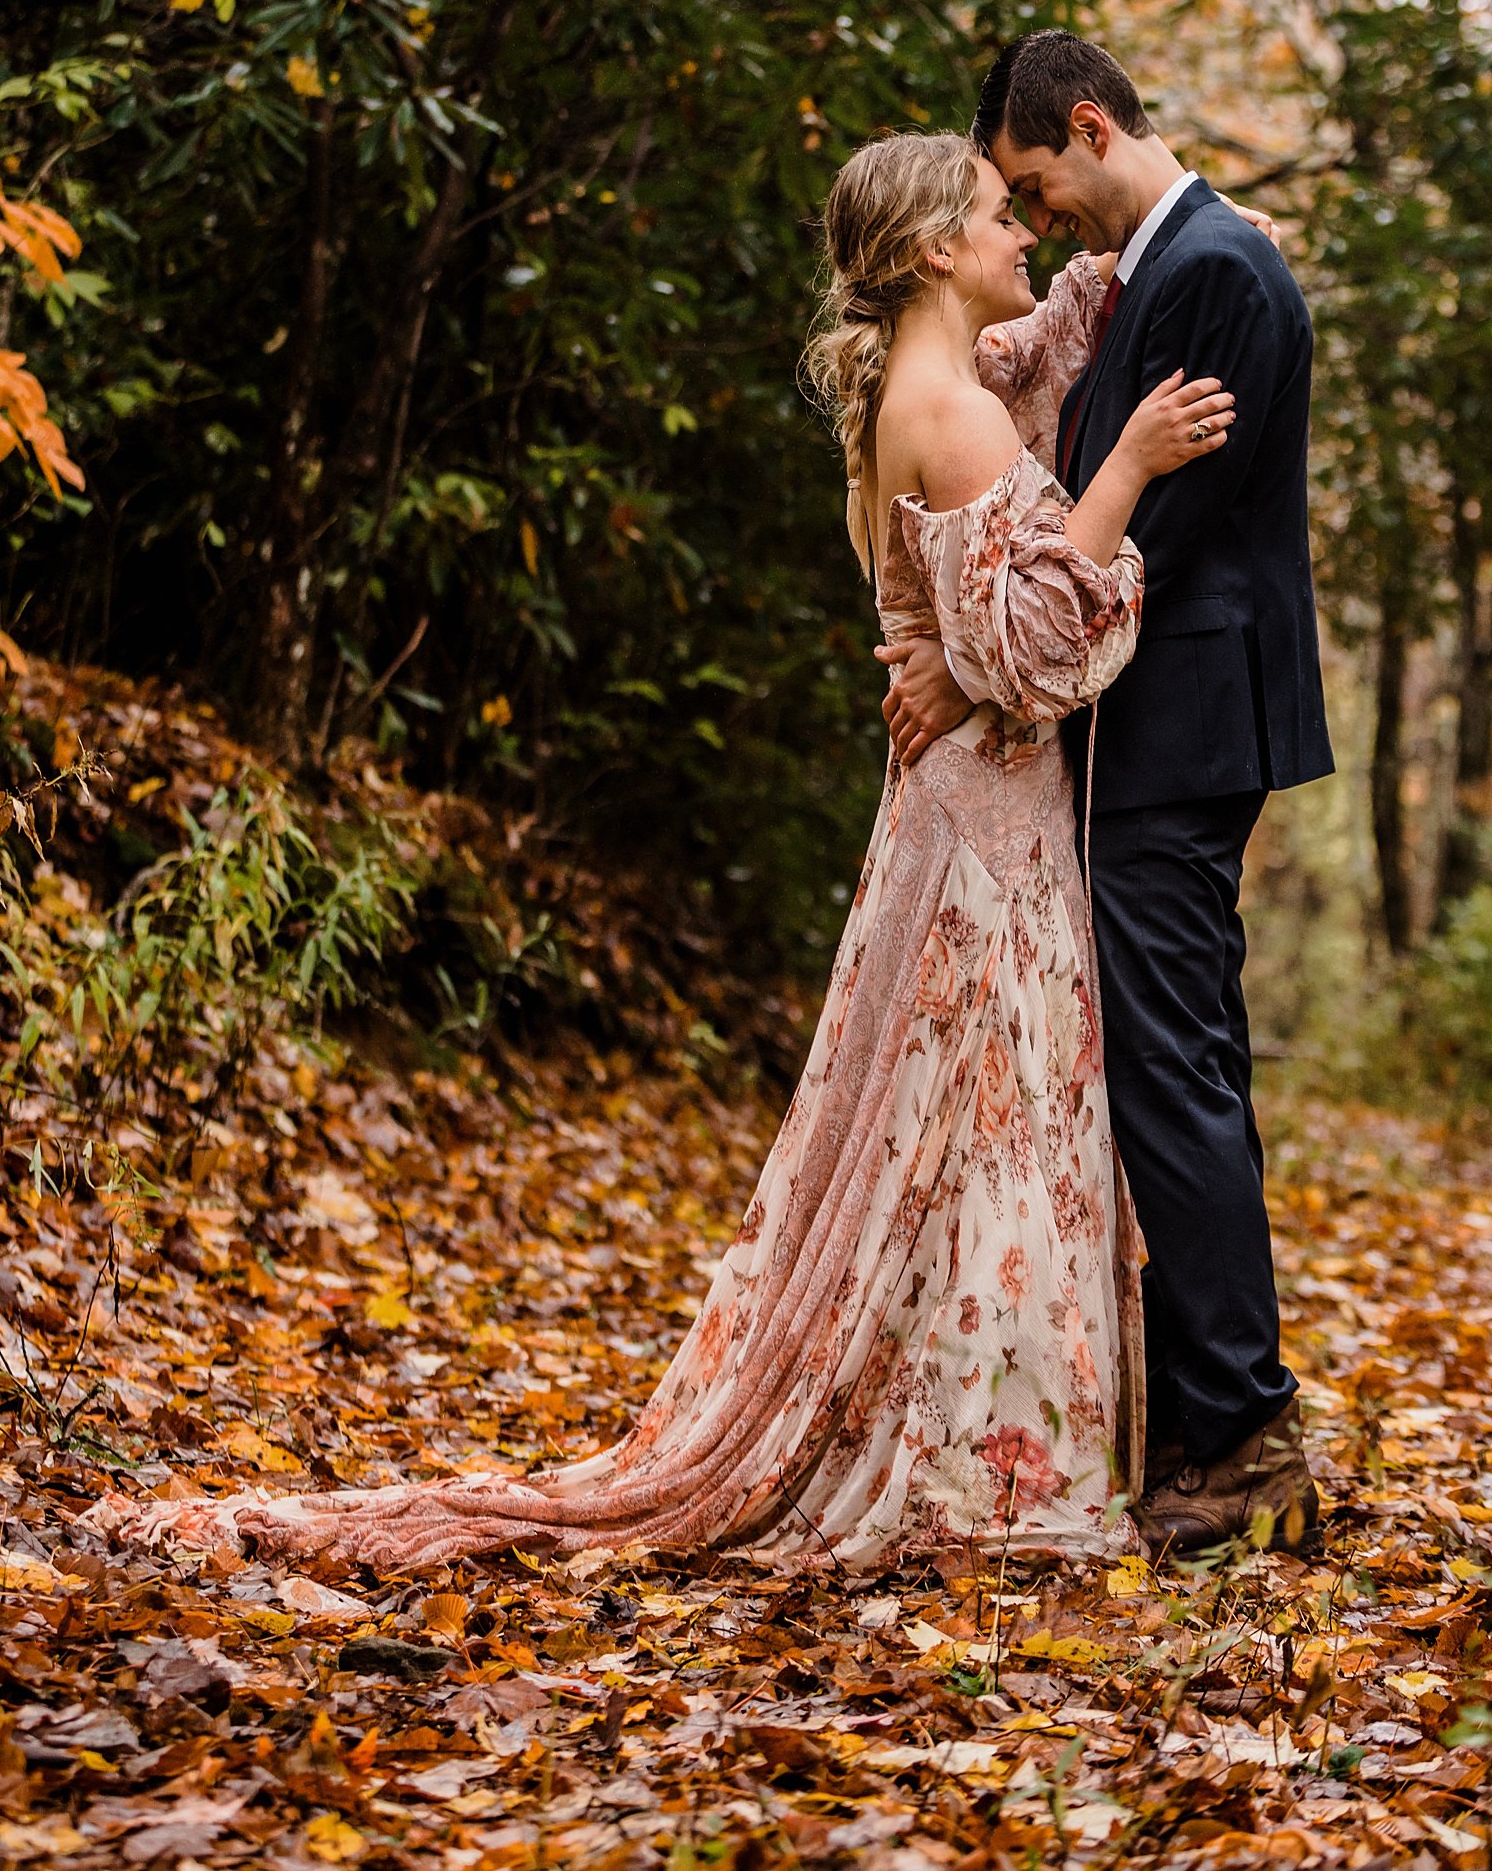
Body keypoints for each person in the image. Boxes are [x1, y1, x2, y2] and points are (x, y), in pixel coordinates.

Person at [87, 132, 1234, 1576]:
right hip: (986, 837)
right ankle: (982, 1470)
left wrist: (1157, 209)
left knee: (950, 1137)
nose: (1025, 238)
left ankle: (978, 1438)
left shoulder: (937, 385)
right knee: (973, 1130)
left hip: (959, 819)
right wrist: (1127, 465)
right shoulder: (950, 410)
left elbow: (1036, 413)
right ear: (938, 248)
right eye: (1003, 219)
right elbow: (1045, 647)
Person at [881, 34, 1333, 1554]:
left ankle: (1245, 1430)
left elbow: (1163, 538)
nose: (1037, 215)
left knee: (1174, 1070)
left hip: (1183, 724)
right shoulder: (1165, 268)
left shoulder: (1209, 273)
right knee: (1171, 1065)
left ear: (1086, 128)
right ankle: (1215, 1418)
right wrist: (974, 636)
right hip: (1156, 730)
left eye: (1031, 183)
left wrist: (988, 661)